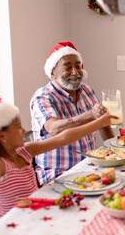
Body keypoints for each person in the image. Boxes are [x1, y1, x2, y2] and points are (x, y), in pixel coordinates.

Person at [0, 95, 116, 219]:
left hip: (35, 215)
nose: (23, 130)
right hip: (11, 226)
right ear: (1, 136)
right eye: (18, 127)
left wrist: (99, 123)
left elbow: (64, 138)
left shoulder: (25, 152)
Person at [30, 41, 115, 185]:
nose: (75, 72)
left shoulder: (87, 90)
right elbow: (54, 128)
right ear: (53, 73)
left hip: (87, 169)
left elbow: (102, 123)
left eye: (78, 66)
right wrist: (91, 115)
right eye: (68, 68)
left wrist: (114, 153)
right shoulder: (43, 97)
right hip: (56, 175)